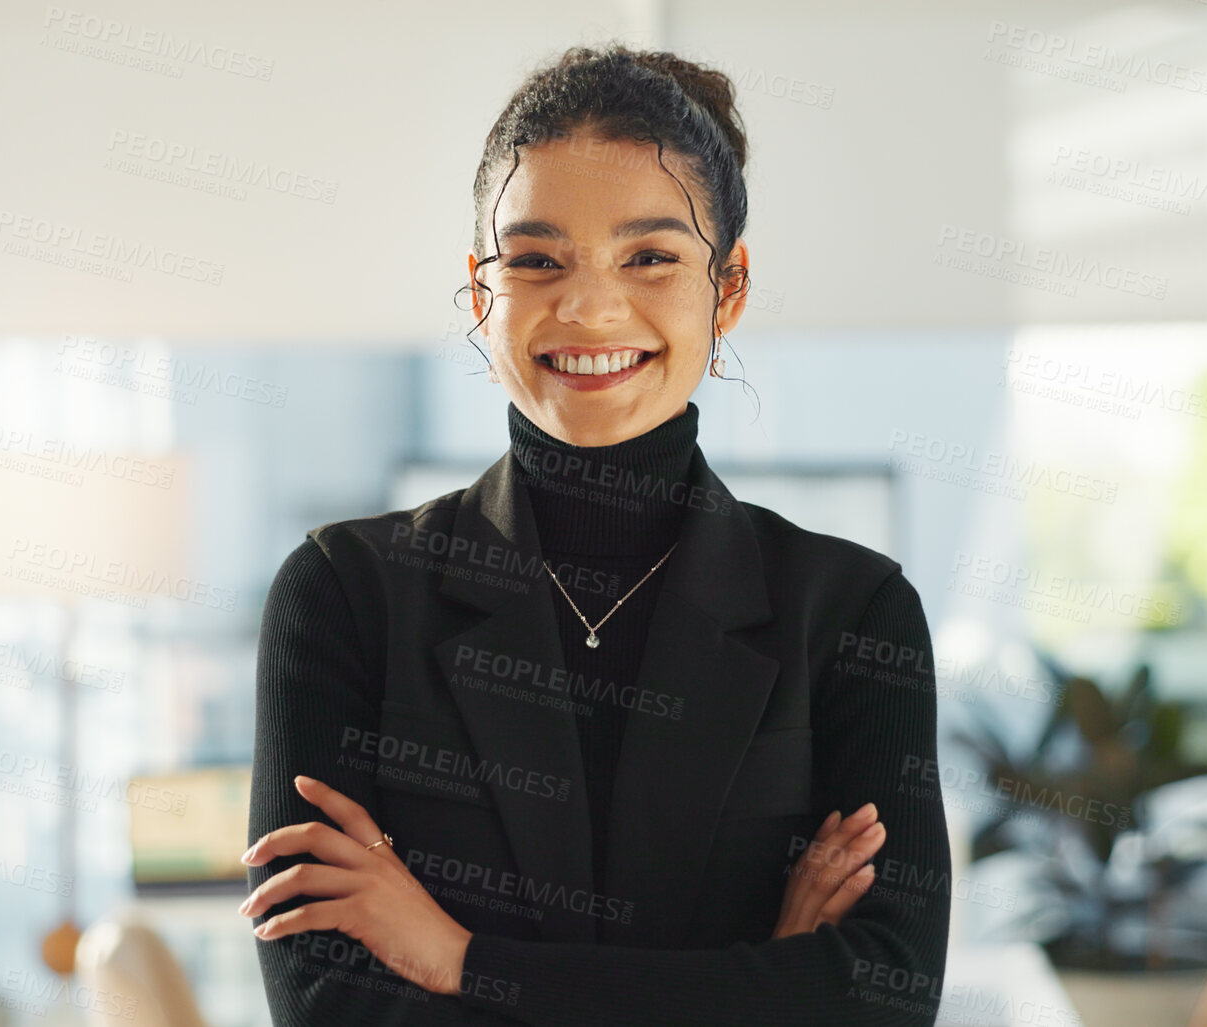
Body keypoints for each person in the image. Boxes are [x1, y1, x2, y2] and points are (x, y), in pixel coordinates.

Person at [240, 43, 950, 1026]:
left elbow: (886, 1001)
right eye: (536, 259)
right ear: (485, 292)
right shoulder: (343, 595)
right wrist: (767, 981)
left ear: (728, 287)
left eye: (651, 256)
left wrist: (460, 958)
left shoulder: (852, 612)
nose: (589, 305)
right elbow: (328, 1008)